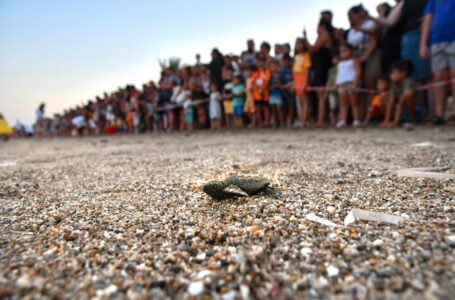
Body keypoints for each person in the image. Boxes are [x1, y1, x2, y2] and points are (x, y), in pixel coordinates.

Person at [420, 0, 455, 125]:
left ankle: (453, 115)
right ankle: (439, 115)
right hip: (436, 39)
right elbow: (427, 19)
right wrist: (423, 44)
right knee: (439, 77)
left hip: (453, 37)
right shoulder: (433, 1)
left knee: (454, 75)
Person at [304, 19, 335, 126]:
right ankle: (322, 119)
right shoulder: (321, 35)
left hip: (323, 67)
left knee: (322, 94)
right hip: (319, 67)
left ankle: (321, 120)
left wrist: (305, 37)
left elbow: (313, 49)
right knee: (320, 94)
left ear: (322, 26)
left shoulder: (325, 34)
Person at [381, 60, 416, 127]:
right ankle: (389, 120)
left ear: (403, 74)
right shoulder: (394, 84)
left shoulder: (409, 81)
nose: (391, 75)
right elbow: (390, 102)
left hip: (413, 108)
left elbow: (402, 100)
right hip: (400, 106)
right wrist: (386, 121)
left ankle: (411, 119)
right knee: (386, 97)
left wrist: (395, 123)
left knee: (408, 95)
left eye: (393, 72)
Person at [335, 44, 362, 127]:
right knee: (343, 103)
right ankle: (343, 120)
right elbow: (338, 73)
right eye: (341, 52)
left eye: (345, 51)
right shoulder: (340, 63)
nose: (343, 53)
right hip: (342, 83)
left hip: (350, 82)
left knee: (354, 103)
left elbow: (358, 72)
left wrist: (355, 83)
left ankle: (356, 119)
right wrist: (336, 82)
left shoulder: (354, 61)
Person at [293, 38, 312, 127]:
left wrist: (305, 82)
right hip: (297, 81)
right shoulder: (296, 57)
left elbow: (307, 70)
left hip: (303, 80)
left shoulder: (306, 55)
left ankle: (304, 121)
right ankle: (302, 119)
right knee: (300, 101)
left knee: (304, 101)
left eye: (300, 43)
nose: (298, 45)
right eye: (297, 44)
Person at [280, 54, 295, 127]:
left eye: (286, 61)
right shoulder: (280, 71)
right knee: (283, 107)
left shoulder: (292, 70)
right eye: (283, 61)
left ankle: (290, 121)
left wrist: (290, 85)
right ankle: (284, 122)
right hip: (282, 91)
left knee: (291, 107)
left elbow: (295, 80)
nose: (284, 62)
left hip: (291, 91)